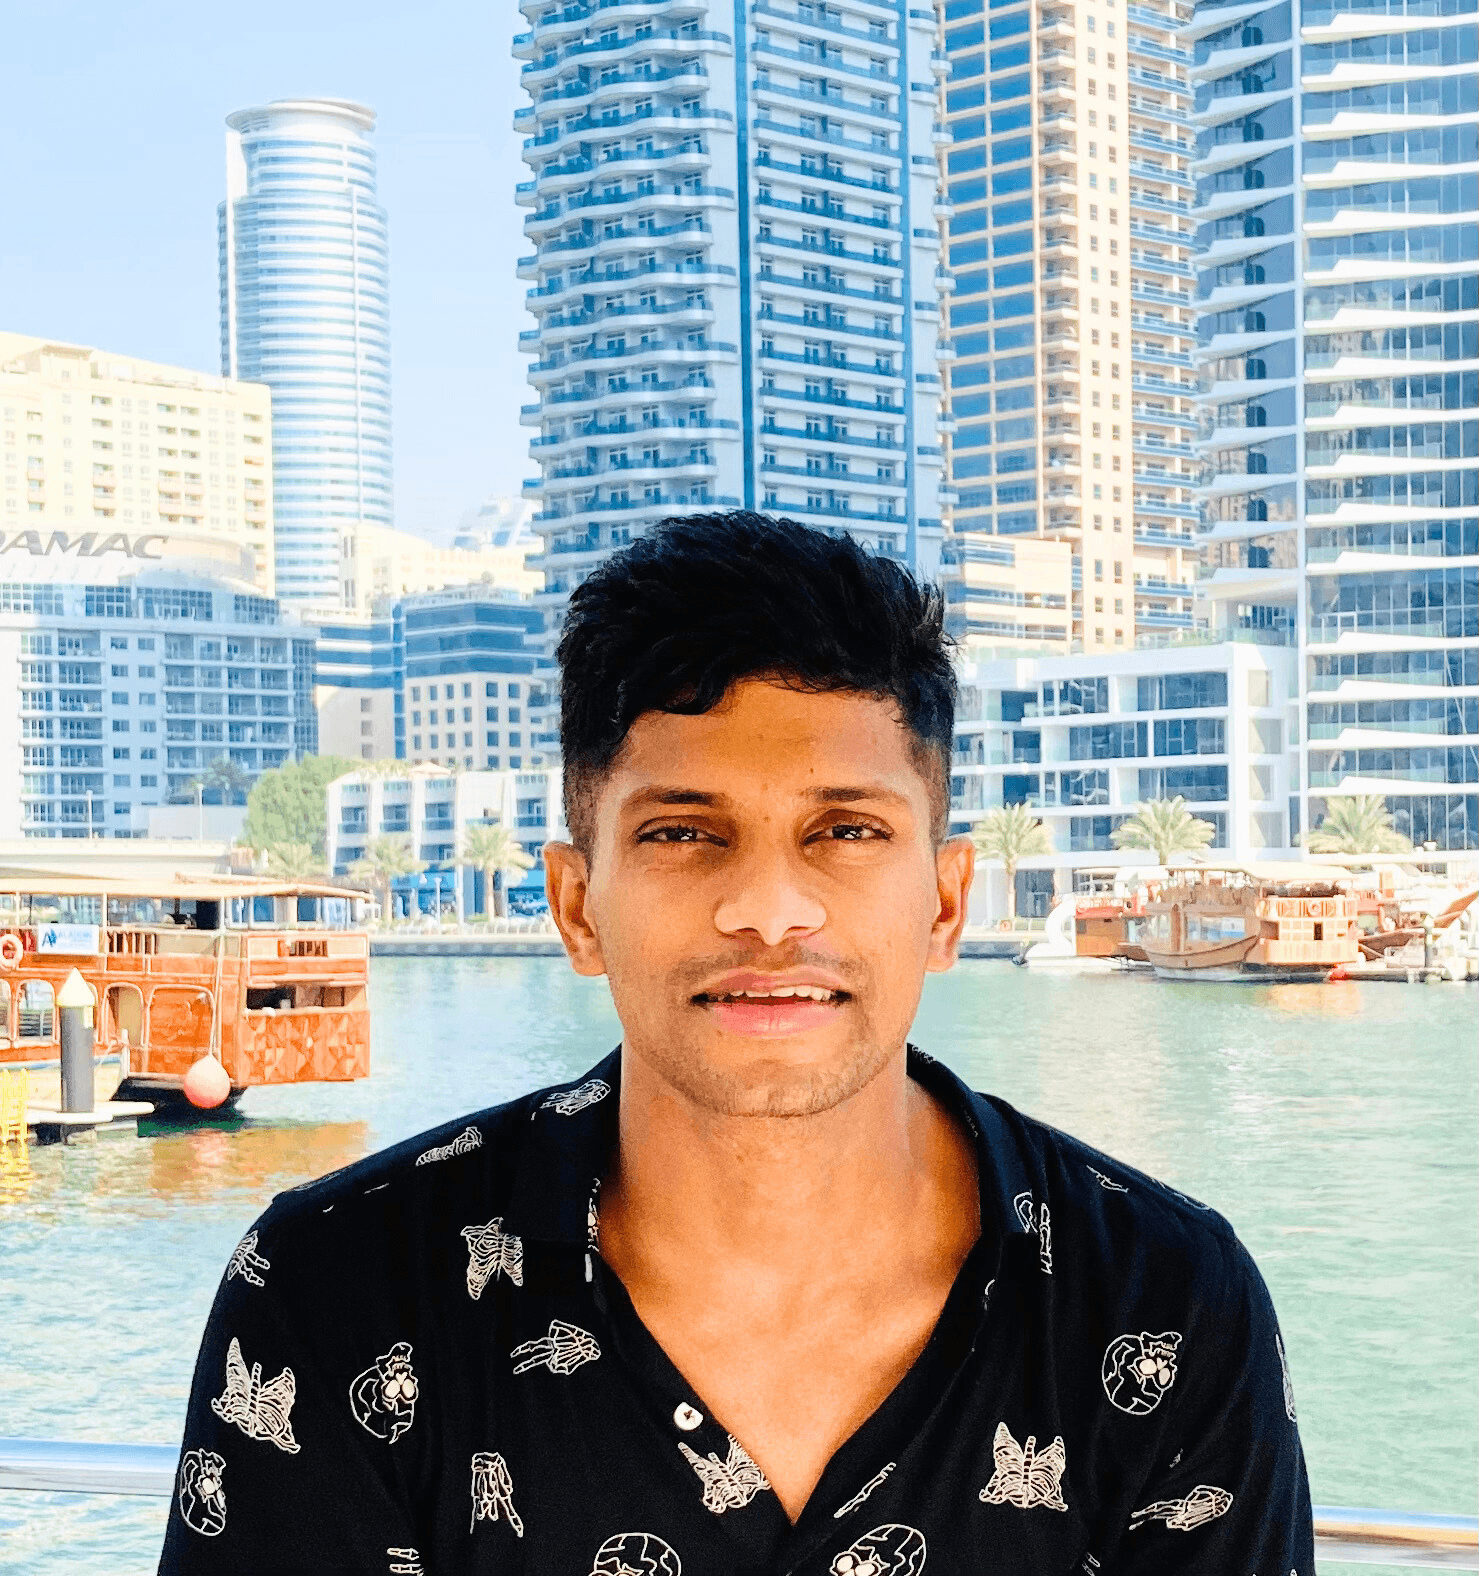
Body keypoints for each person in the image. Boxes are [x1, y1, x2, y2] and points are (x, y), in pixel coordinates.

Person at [159, 511, 1315, 1575]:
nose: (770, 907)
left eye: (847, 829)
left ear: (949, 903)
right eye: (682, 831)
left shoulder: (1161, 1303)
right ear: (576, 906)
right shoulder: (339, 1292)